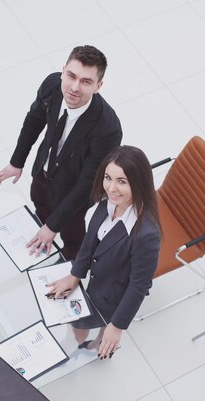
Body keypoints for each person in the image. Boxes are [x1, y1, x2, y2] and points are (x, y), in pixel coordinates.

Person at [0, 45, 122, 261]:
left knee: (71, 231)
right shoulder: (52, 85)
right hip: (45, 171)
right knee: (40, 204)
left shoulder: (107, 128)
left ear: (99, 86)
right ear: (63, 71)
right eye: (71, 76)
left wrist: (53, 226)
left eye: (86, 81)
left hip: (76, 190)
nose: (74, 87)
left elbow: (88, 182)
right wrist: (17, 162)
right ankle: (42, 240)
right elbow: (33, 121)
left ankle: (73, 261)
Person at [45, 145, 161, 359]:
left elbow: (139, 285)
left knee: (84, 323)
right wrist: (75, 274)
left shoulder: (147, 235)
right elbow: (90, 240)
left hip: (113, 295)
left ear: (139, 182)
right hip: (97, 278)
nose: (111, 188)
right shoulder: (107, 204)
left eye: (122, 182)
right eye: (108, 178)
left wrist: (117, 326)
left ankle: (84, 343)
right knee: (82, 320)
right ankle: (92, 339)